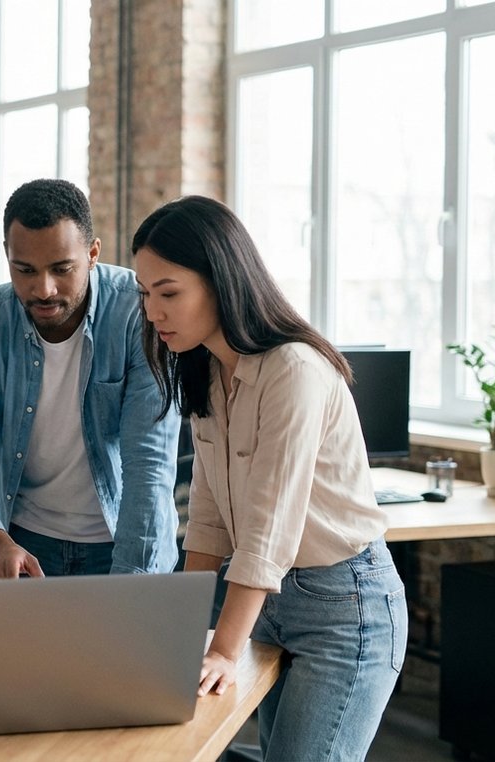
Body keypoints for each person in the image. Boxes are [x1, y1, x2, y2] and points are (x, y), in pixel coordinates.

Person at [132, 195, 404, 760]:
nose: (153, 313)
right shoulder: (210, 374)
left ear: (221, 281)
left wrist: (224, 651)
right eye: (144, 294)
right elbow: (207, 519)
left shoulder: (294, 370)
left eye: (169, 293)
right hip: (269, 607)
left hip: (342, 605)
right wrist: (183, 637)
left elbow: (268, 532)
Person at [0, 178, 180, 579]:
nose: (43, 289)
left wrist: (132, 586)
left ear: (93, 253)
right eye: (25, 270)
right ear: (7, 255)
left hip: (124, 539)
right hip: (21, 544)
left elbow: (148, 466)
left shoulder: (139, 316)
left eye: (62, 269)